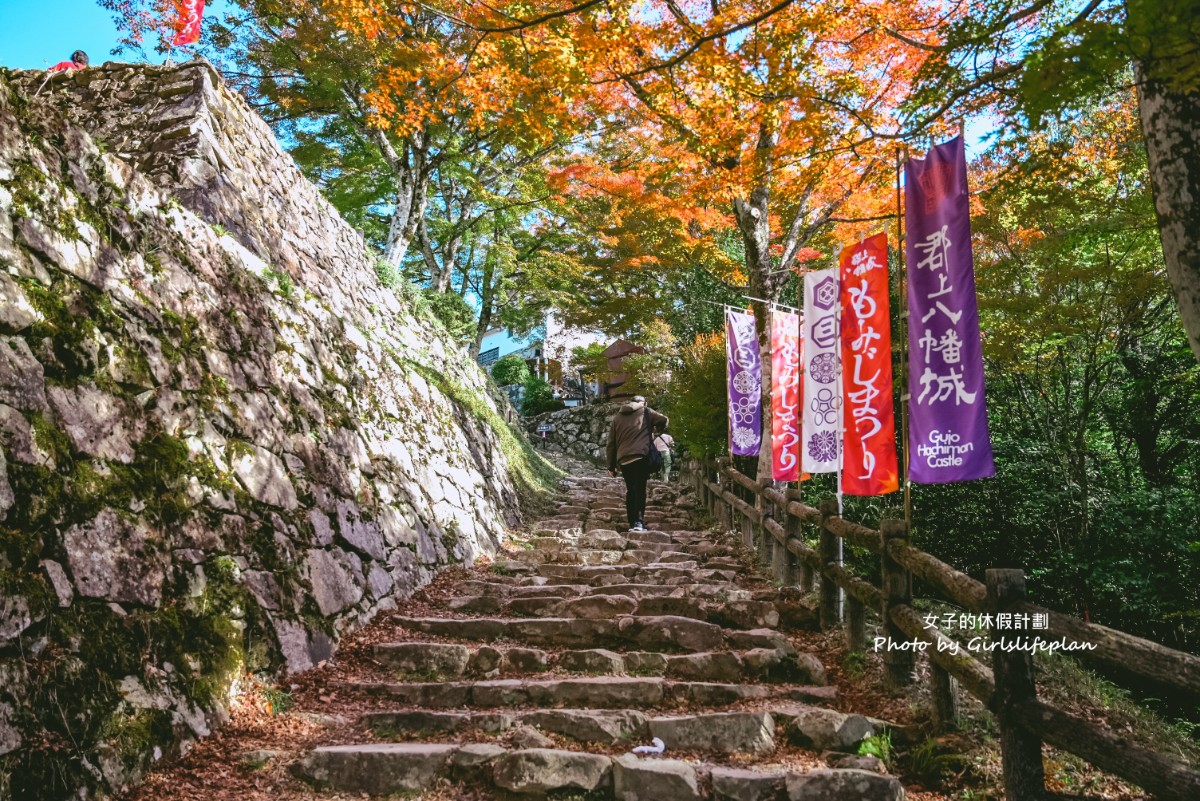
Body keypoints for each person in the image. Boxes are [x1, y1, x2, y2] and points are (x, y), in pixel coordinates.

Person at [606, 395, 668, 532]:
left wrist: (611, 465)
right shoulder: (646, 411)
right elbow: (664, 419)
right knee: (640, 489)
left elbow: (611, 443)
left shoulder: (617, 417)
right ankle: (638, 523)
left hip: (624, 458)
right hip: (641, 455)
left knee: (631, 490)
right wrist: (657, 431)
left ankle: (631, 523)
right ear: (643, 403)